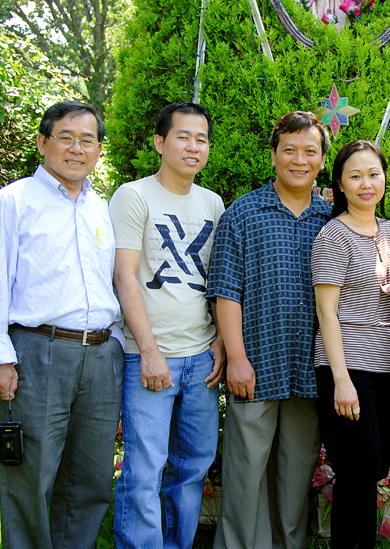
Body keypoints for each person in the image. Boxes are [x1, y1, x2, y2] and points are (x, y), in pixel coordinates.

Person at [0, 100, 124, 549]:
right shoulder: (14, 202)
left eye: (88, 140)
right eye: (66, 137)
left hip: (99, 358)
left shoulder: (100, 207)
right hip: (37, 354)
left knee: (90, 479)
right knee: (29, 477)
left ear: (99, 149)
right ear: (43, 142)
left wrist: (114, 342)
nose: (77, 149)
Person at [207, 111, 332, 549]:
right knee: (244, 474)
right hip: (255, 367)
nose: (299, 159)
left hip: (309, 370)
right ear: (274, 154)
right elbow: (226, 292)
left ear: (321, 160)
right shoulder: (243, 212)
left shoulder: (332, 217)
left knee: (295, 476)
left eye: (310, 151)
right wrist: (236, 359)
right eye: (290, 149)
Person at [110, 102, 225, 548]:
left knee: (193, 466)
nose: (193, 146)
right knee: (144, 467)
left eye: (201, 139)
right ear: (160, 142)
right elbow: (125, 276)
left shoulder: (212, 202)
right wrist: (148, 349)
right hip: (149, 357)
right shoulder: (134, 196)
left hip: (201, 360)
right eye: (182, 136)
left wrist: (218, 339)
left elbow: (216, 279)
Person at [312, 140, 390, 549]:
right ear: (340, 186)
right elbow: (327, 312)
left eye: (373, 174)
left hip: (388, 369)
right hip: (348, 369)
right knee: (357, 474)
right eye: (355, 176)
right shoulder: (334, 235)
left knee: (374, 469)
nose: (366, 183)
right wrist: (341, 380)